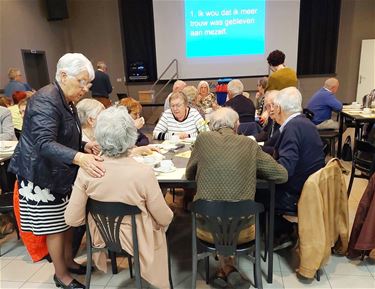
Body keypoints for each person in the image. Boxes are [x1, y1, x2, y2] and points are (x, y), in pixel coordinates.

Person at [9, 53, 107, 289]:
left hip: (57, 172)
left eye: (87, 83)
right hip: (40, 175)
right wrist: (79, 157)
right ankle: (60, 275)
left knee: (65, 224)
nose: (85, 88)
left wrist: (84, 145)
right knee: (54, 228)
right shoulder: (46, 100)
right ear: (63, 76)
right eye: (82, 81)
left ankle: (69, 262)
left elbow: (65, 135)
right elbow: (44, 143)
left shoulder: (65, 98)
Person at [65, 106, 173, 289]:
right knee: (163, 224)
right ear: (131, 135)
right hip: (137, 239)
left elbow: (72, 218)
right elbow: (164, 217)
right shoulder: (143, 172)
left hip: (102, 237)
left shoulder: (87, 170)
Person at [186, 107, 287, 287]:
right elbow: (281, 175)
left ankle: (224, 269)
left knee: (219, 211)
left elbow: (189, 174)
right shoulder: (249, 144)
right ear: (236, 125)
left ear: (211, 126)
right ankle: (229, 268)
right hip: (243, 232)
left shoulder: (202, 139)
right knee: (232, 211)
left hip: (206, 230)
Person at [262, 87, 325, 248]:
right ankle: (281, 231)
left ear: (280, 108)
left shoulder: (293, 128)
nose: (273, 110)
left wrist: (263, 166)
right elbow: (276, 148)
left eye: (274, 107)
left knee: (256, 191)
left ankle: (279, 233)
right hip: (309, 184)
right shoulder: (303, 122)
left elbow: (285, 171)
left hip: (296, 192)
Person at [255, 90, 281, 155]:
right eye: (268, 106)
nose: (271, 109)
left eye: (273, 105)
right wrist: (250, 139)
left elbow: (275, 147)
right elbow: (264, 134)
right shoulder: (271, 118)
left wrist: (255, 147)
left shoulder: (283, 123)